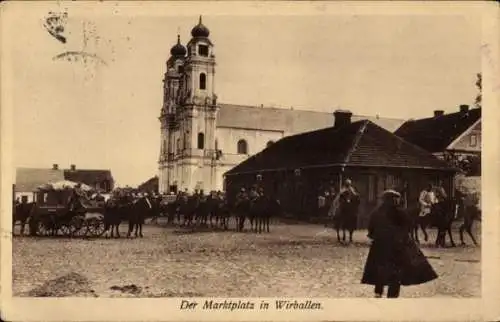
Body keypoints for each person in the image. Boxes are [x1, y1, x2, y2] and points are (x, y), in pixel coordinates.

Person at [361, 189, 438, 298]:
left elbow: (371, 229)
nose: (397, 201)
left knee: (380, 269)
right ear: (391, 200)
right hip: (396, 248)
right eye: (395, 199)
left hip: (380, 247)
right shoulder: (399, 212)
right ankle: (392, 296)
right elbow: (409, 225)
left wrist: (376, 237)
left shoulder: (376, 212)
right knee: (395, 272)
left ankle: (378, 292)